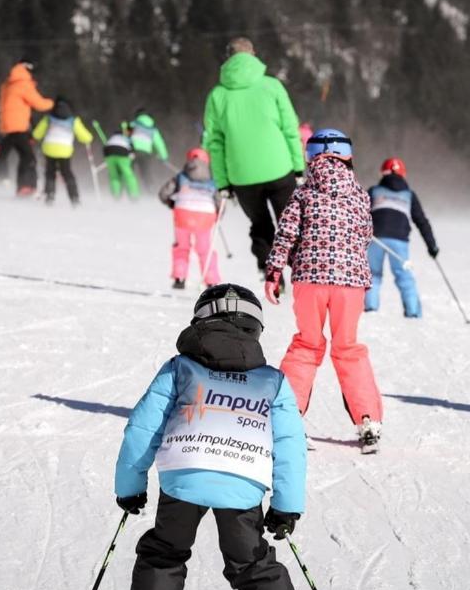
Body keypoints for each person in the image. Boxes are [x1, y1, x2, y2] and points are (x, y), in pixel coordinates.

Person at [114, 283, 313, 590]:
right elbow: (291, 445)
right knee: (253, 563)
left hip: (183, 476)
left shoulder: (179, 368)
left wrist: (130, 485)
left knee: (164, 553)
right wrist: (286, 505)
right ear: (255, 329)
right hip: (241, 482)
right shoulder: (271, 380)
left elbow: (142, 428)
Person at [263, 129, 383, 452]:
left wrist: (274, 271)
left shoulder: (303, 193)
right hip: (350, 284)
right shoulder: (359, 194)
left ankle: (287, 419)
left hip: (310, 279)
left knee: (307, 345)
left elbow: (286, 233)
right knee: (348, 347)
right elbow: (366, 234)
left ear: (311, 157)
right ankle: (368, 419)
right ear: (347, 156)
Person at [202, 37, 305, 276]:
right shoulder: (272, 86)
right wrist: (299, 167)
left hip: (242, 175)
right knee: (289, 222)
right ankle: (300, 270)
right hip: (280, 168)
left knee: (260, 224)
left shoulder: (217, 95)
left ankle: (270, 271)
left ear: (228, 57)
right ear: (254, 54)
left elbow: (214, 143)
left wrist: (223, 182)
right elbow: (290, 128)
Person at [365, 157, 438, 318]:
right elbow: (421, 221)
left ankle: (370, 308)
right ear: (403, 175)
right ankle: (412, 312)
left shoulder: (374, 191)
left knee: (372, 274)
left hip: (375, 238)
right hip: (399, 240)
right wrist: (432, 246)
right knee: (404, 276)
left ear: (382, 174)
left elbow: (360, 214)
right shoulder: (409, 195)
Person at [157, 148, 222, 290]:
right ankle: (211, 281)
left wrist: (172, 203)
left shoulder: (181, 176)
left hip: (183, 213)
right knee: (205, 249)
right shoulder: (213, 178)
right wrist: (218, 216)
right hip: (205, 215)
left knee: (182, 247)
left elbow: (163, 193)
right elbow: (219, 200)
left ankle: (179, 278)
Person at [0, 60, 54, 196]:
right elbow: (39, 103)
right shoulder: (23, 84)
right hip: (19, 126)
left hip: (6, 126)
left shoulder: (7, 84)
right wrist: (53, 103)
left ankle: (13, 182)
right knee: (29, 158)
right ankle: (27, 186)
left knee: (19, 155)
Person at [31, 97, 93, 206]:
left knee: (50, 173)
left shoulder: (48, 119)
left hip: (49, 148)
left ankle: (49, 195)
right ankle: (74, 197)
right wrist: (87, 138)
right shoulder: (73, 121)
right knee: (67, 173)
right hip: (65, 150)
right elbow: (86, 137)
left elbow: (37, 134)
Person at [128, 109, 169, 192]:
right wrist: (164, 157)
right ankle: (150, 192)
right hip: (145, 153)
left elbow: (125, 137)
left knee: (129, 173)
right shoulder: (152, 129)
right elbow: (159, 144)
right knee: (146, 174)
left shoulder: (132, 125)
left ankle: (129, 193)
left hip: (132, 151)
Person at [102, 123, 139, 200]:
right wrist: (131, 156)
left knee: (114, 176)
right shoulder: (126, 138)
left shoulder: (112, 138)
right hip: (122, 152)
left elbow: (105, 148)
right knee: (128, 175)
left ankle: (116, 195)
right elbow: (132, 150)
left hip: (109, 152)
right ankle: (133, 194)